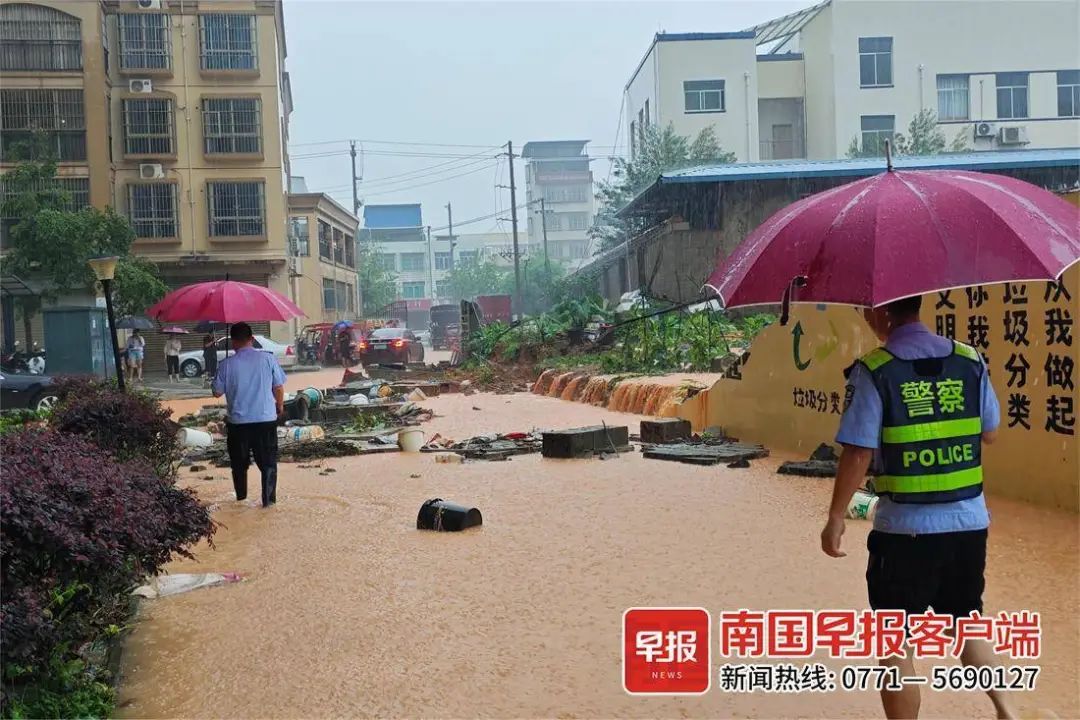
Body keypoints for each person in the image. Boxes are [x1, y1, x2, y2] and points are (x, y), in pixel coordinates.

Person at [820, 296, 1017, 720]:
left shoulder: (875, 370)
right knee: (966, 621)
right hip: (968, 524)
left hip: (904, 532)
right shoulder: (969, 360)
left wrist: (837, 517)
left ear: (880, 313)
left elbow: (857, 452)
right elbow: (991, 432)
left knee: (895, 639)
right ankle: (1007, 709)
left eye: (865, 310)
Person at [212, 323, 286, 508]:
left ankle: (241, 500)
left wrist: (224, 370)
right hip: (265, 421)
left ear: (233, 342)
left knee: (239, 465)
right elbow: (278, 386)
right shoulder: (268, 359)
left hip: (238, 424)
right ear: (252, 339)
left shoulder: (226, 364)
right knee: (268, 464)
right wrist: (279, 406)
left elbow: (216, 392)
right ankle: (269, 503)